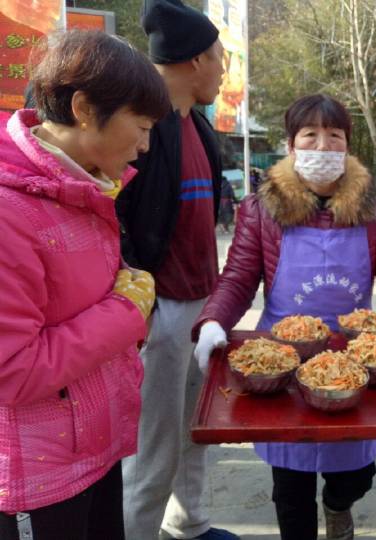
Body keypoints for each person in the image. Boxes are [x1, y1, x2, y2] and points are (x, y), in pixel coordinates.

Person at [191, 94, 376, 540]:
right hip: (280, 368)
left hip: (354, 364)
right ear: (290, 144)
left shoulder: (374, 211)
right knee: (291, 486)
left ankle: (340, 505)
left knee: (355, 474)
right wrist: (213, 323)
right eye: (310, 135)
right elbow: (239, 277)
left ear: (347, 146)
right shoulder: (261, 209)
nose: (323, 146)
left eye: (334, 136)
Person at [0, 30, 169, 540]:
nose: (144, 146)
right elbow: (13, 370)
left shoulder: (83, 188)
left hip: (93, 446)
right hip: (37, 474)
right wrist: (127, 310)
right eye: (140, 127)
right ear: (84, 109)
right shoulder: (11, 211)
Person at [114, 1, 235, 539]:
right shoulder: (141, 127)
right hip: (157, 311)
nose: (223, 70)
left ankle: (189, 524)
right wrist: (135, 309)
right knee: (150, 451)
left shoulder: (197, 126)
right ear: (194, 60)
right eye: (219, 58)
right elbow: (113, 220)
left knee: (194, 430)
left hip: (200, 307)